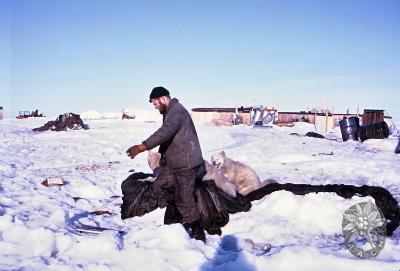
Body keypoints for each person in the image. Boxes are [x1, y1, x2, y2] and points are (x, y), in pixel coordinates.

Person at [126, 86, 207, 242]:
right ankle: (175, 226)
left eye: (156, 104)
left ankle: (198, 234)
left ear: (163, 99)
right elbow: (170, 138)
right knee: (164, 188)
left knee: (184, 199)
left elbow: (165, 132)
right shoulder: (171, 112)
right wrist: (163, 155)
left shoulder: (176, 112)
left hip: (187, 163)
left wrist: (143, 146)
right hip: (178, 161)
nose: (155, 107)